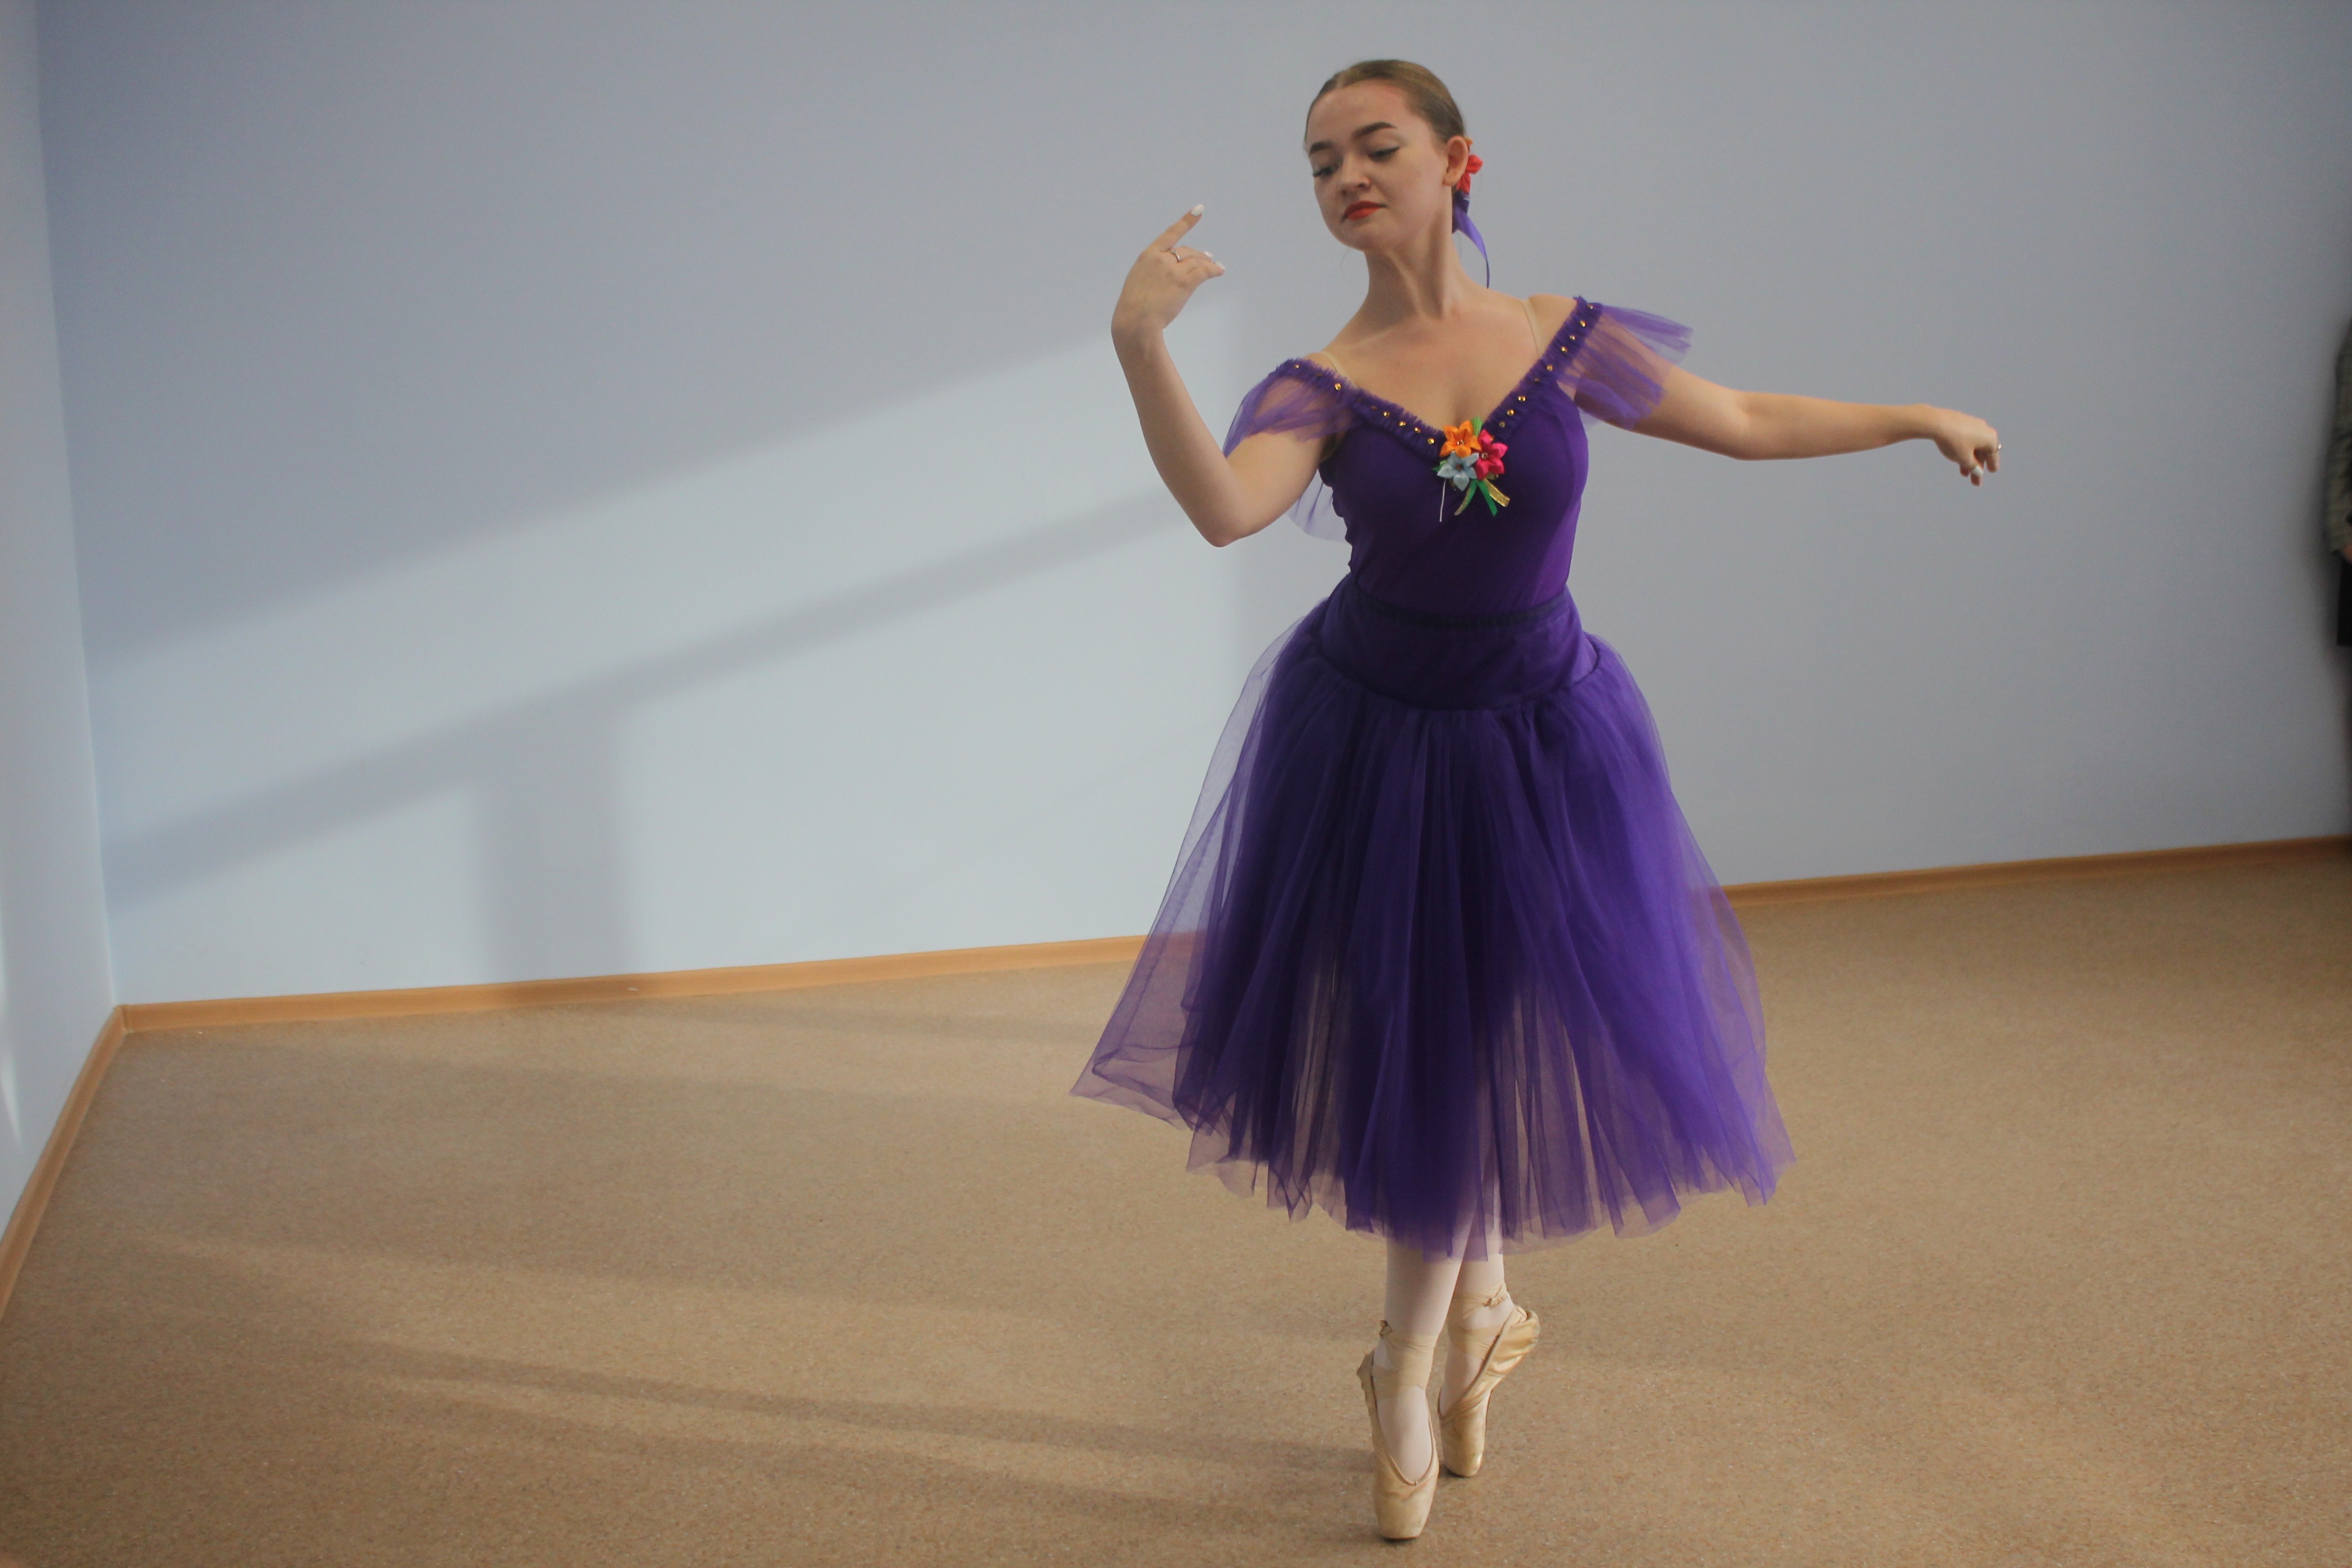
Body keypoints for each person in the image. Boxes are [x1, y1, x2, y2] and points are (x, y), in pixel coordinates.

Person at [1070, 59, 2001, 1540]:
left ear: (1459, 161)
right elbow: (1227, 509)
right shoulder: (1321, 385)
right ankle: (1416, 1354)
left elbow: (1743, 417)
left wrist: (1913, 414)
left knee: (1481, 1027)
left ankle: (1459, 1328)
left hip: (1540, 733)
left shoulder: (1560, 337)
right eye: (1321, 161)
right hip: (1378, 737)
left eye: (1377, 146)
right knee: (1435, 1041)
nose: (1346, 176)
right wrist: (1139, 347)